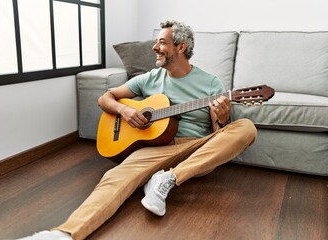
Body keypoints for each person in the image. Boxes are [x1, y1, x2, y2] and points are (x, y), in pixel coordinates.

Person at [19, 20, 257, 240]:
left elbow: (220, 133)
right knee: (115, 178)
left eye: (162, 42)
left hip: (196, 148)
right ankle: (64, 234)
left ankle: (168, 179)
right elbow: (106, 98)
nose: (155, 47)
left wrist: (223, 118)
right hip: (155, 145)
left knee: (246, 127)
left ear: (181, 47)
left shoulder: (211, 83)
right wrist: (125, 111)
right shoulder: (150, 78)